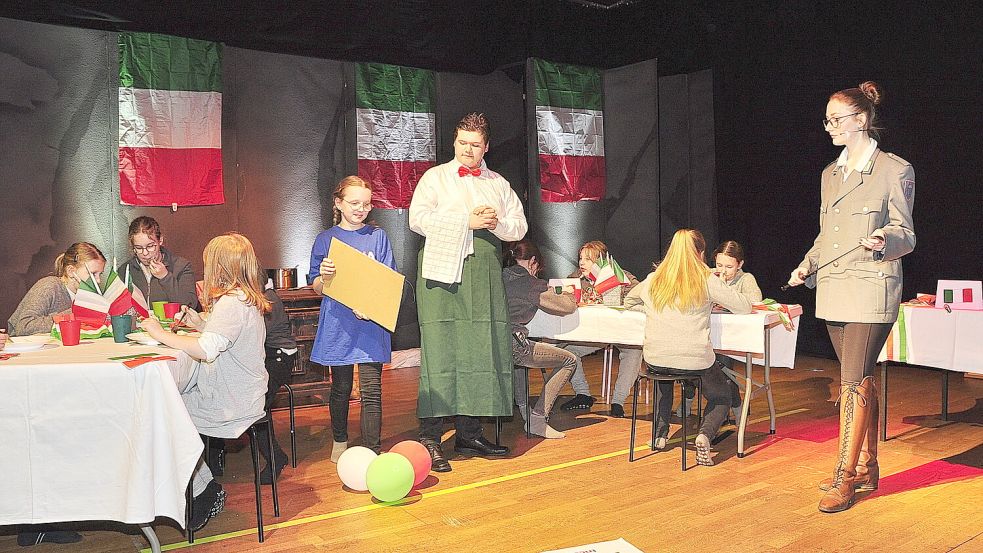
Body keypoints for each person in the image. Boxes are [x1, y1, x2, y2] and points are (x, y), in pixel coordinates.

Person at [787, 81, 915, 513]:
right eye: (826, 120)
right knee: (860, 379)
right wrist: (808, 263)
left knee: (851, 382)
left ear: (861, 120)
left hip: (871, 286)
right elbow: (829, 234)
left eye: (835, 119)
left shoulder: (894, 170)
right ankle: (868, 465)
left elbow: (906, 233)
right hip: (835, 287)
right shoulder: (830, 174)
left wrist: (885, 238)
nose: (828, 127)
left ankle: (844, 475)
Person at [408, 112, 528, 472]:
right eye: (462, 143)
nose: (467, 150)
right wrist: (466, 222)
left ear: (486, 147)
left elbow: (519, 227)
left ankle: (468, 433)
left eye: (475, 145)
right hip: (442, 274)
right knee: (442, 351)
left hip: (483, 273)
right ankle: (431, 437)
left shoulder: (498, 183)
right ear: (454, 142)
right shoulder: (435, 178)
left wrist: (496, 223)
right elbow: (416, 219)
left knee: (479, 349)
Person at [140, 233, 271, 531]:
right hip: (245, 394)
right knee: (168, 405)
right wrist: (200, 324)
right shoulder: (245, 298)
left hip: (232, 403)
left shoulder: (230, 303)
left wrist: (158, 334)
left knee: (162, 414)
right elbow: (225, 338)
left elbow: (206, 349)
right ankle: (199, 487)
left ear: (219, 267)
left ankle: (204, 489)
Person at [624, 229, 752, 465]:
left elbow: (629, 300)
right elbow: (744, 307)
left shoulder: (654, 278)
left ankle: (659, 436)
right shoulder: (705, 279)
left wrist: (651, 311)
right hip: (694, 359)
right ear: (701, 253)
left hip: (656, 358)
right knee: (721, 395)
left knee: (665, 372)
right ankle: (704, 434)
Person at [309, 175, 397, 460]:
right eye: (354, 202)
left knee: (372, 389)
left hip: (370, 323)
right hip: (339, 324)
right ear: (338, 202)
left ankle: (372, 448)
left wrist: (371, 306)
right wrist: (325, 277)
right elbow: (317, 287)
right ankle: (340, 439)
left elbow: (389, 280)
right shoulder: (325, 239)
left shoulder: (377, 237)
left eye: (366, 204)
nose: (361, 208)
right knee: (342, 387)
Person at [502, 239, 579, 439]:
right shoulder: (530, 283)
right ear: (533, 261)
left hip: (492, 343)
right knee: (569, 360)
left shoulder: (499, 276)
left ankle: (525, 411)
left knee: (518, 364)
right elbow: (567, 306)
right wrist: (569, 295)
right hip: (513, 344)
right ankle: (537, 419)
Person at [558, 241, 643, 418]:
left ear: (601, 261)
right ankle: (583, 394)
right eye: (581, 258)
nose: (582, 263)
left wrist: (623, 297)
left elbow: (640, 295)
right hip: (596, 334)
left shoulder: (621, 277)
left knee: (634, 351)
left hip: (622, 332)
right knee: (566, 351)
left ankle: (618, 402)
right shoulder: (575, 279)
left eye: (588, 259)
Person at [7, 242, 106, 336]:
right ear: (71, 271)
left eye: (99, 274)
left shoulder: (86, 295)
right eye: (92, 274)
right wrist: (75, 313)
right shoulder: (49, 285)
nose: (98, 281)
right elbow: (24, 326)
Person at [711, 240, 762, 416]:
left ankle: (734, 403)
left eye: (729, 266)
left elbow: (755, 301)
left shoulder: (745, 279)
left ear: (739, 265)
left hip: (731, 336)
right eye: (719, 265)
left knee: (722, 366)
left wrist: (727, 298)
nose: (723, 271)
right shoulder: (710, 276)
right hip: (707, 333)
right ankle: (688, 397)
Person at [118, 216, 198, 308]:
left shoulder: (181, 266)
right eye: (138, 248)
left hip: (171, 321)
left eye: (150, 246)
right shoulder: (125, 270)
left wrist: (165, 277)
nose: (145, 253)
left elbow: (190, 304)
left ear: (160, 240)